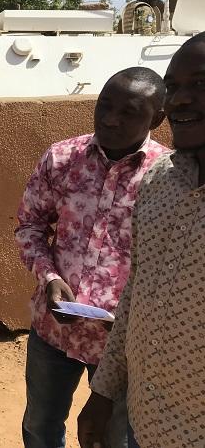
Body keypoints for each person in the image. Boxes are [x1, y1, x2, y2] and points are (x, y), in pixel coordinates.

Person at [16, 67, 168, 448]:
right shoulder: (62, 158)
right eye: (105, 105)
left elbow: (172, 264)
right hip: (54, 331)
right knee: (40, 428)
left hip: (122, 346)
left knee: (114, 438)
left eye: (129, 112)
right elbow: (30, 226)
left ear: (157, 119)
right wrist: (49, 279)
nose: (110, 119)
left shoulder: (167, 178)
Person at [78, 33, 205, 448]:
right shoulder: (160, 180)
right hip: (145, 420)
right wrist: (103, 392)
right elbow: (138, 291)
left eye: (200, 84)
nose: (180, 100)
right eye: (174, 86)